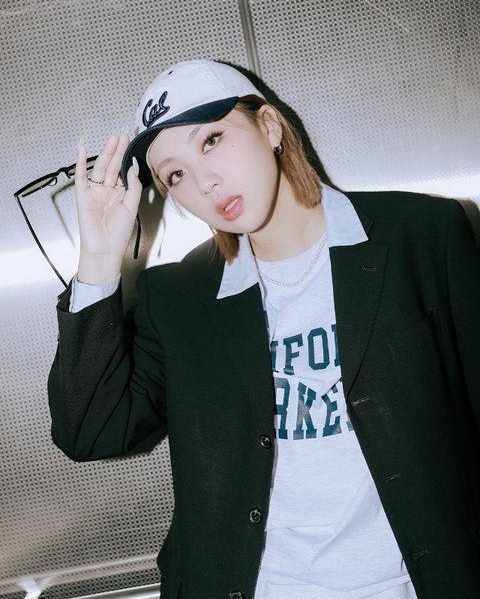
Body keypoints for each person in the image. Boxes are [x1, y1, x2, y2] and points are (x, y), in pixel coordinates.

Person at [48, 59, 480, 599]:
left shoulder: (422, 236)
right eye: (174, 175)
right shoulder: (179, 299)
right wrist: (97, 260)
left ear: (270, 126)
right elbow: (90, 432)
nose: (203, 182)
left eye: (211, 141)